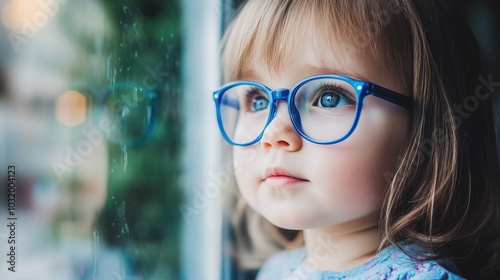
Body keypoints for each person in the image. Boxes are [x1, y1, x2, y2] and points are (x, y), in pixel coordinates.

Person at [213, 0, 500, 279]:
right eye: (259, 101)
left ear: (427, 130)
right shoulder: (275, 271)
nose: (273, 133)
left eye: (329, 98)